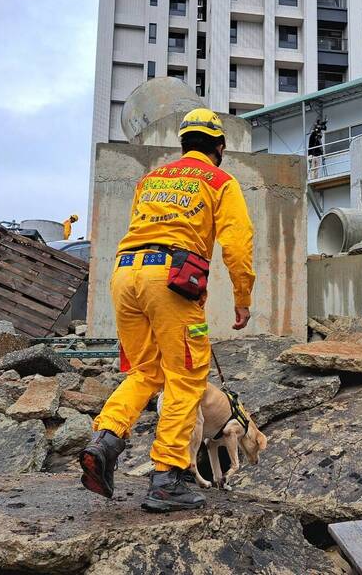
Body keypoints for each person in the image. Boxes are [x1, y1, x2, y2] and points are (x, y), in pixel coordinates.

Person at [79, 108, 255, 513]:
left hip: (125, 275)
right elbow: (238, 245)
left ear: (183, 144)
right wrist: (242, 298)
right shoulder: (220, 181)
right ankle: (168, 478)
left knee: (145, 372)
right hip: (172, 281)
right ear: (220, 147)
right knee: (187, 377)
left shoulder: (151, 179)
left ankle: (104, 442)